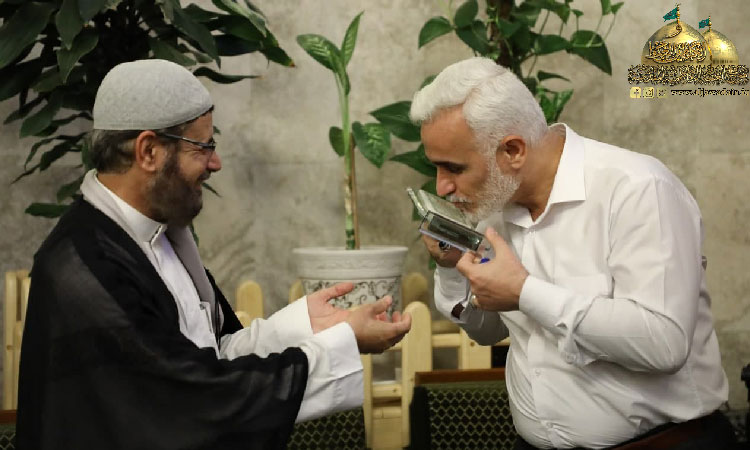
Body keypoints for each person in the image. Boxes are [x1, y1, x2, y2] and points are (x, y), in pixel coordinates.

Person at [16, 59, 411, 450]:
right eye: (203, 147)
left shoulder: (159, 235)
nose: (215, 163)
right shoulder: (82, 267)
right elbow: (191, 403)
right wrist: (339, 346)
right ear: (149, 151)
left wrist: (306, 326)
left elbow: (207, 359)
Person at [410, 57, 735, 449]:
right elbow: (489, 330)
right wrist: (450, 267)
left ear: (512, 150)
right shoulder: (496, 203)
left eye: (453, 168)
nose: (441, 187)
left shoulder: (638, 189)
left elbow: (664, 343)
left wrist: (526, 292)